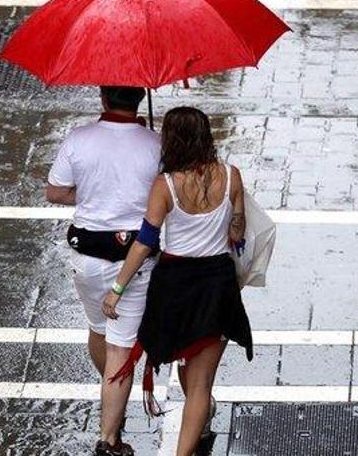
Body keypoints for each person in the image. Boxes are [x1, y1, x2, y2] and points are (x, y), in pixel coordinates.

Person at [104, 107, 253, 456]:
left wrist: (117, 289)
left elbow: (145, 241)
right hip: (217, 283)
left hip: (176, 285)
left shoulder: (166, 184)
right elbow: (238, 232)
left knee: (186, 365)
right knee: (201, 385)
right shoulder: (231, 175)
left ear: (171, 139)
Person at [46, 86, 161, 456]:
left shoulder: (78, 139)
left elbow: (56, 192)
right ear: (140, 98)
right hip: (134, 265)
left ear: (103, 98)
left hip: (87, 261)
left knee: (99, 331)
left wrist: (95, 194)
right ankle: (109, 440)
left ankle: (113, 392)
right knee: (121, 350)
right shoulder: (155, 143)